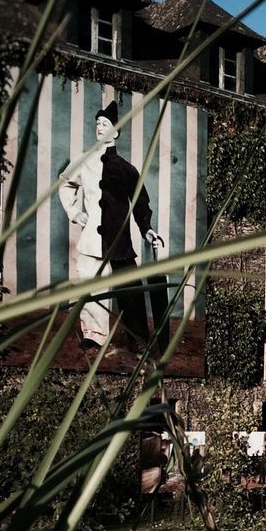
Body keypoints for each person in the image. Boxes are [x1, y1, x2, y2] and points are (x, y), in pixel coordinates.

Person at [59, 100, 165, 355]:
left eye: (105, 124)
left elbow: (140, 201)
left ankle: (138, 343)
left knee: (131, 293)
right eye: (97, 123)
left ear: (115, 132)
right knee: (90, 286)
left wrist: (147, 228)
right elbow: (65, 183)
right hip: (92, 241)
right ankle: (93, 338)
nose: (99, 127)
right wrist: (75, 212)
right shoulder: (84, 161)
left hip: (120, 240)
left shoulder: (127, 169)